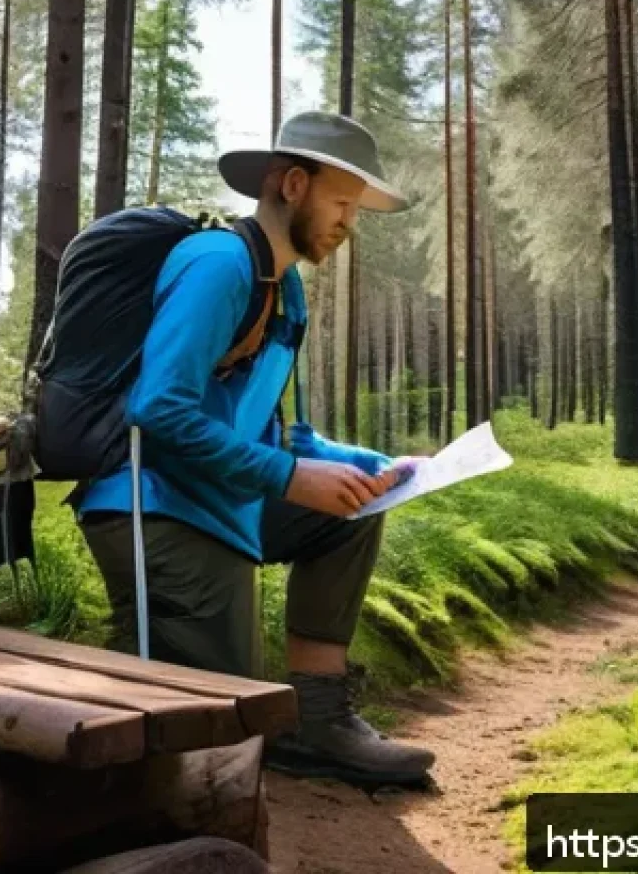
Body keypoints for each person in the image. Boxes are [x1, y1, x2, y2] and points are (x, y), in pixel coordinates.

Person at [70, 111, 436, 787]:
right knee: (221, 740)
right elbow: (157, 409)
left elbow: (275, 434)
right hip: (154, 507)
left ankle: (318, 723)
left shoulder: (285, 289)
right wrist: (288, 477)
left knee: (351, 511)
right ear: (293, 184)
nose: (349, 224)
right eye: (343, 203)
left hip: (215, 497)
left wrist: (366, 467)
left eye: (356, 209)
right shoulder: (219, 266)